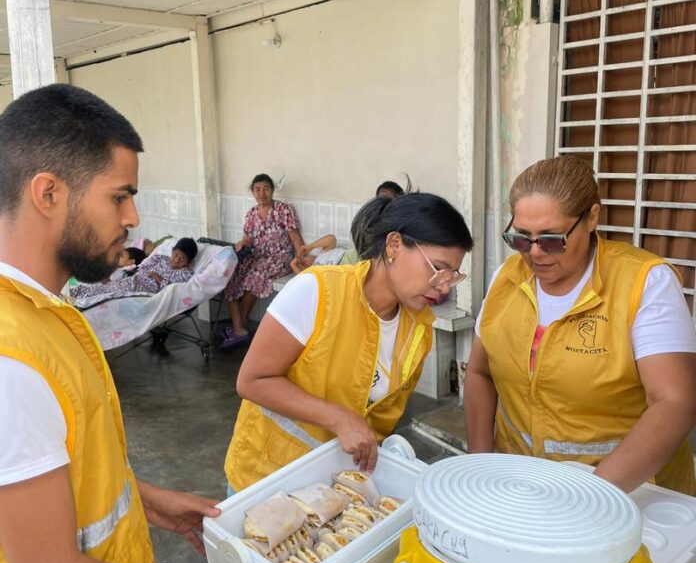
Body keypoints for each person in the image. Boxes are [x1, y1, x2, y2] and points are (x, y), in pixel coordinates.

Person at [0, 85, 317, 563]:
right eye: (119, 195)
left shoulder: (49, 313)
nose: (134, 217)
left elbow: (46, 470)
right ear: (48, 193)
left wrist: (143, 498)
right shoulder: (11, 356)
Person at [464, 155, 696, 495]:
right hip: (523, 484)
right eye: (521, 238)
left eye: (552, 238)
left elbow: (675, 402)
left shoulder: (644, 283)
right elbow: (480, 372)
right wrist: (479, 466)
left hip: (627, 492)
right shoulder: (507, 279)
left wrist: (592, 497)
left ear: (592, 216)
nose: (535, 253)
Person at [224, 192, 473, 491]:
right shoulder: (317, 291)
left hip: (337, 489)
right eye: (437, 268)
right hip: (267, 477)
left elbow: (378, 416)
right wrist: (339, 419)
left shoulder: (418, 328)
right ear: (394, 245)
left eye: (453, 275)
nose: (444, 285)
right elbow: (252, 381)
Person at [221, 174, 303, 349]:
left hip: (279, 258)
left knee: (254, 278)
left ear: (272, 190)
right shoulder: (251, 213)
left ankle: (239, 328)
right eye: (257, 189)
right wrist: (243, 242)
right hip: (256, 256)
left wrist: (301, 257)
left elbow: (294, 236)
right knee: (230, 278)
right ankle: (239, 328)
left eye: (266, 189)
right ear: (252, 192)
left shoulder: (283, 210)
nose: (262, 193)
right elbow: (249, 237)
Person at [71, 237, 198, 303]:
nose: (176, 260)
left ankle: (77, 297)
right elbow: (143, 266)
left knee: (110, 290)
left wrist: (157, 277)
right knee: (108, 286)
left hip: (146, 289)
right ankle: (74, 293)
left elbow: (171, 289)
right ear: (172, 251)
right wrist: (143, 273)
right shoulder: (161, 258)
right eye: (175, 255)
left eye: (182, 259)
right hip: (135, 279)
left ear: (188, 262)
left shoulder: (185, 273)